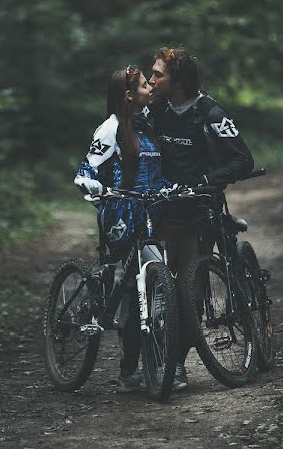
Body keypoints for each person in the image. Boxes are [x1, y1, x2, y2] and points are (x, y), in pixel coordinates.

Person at [148, 47, 255, 390]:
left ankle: (176, 365)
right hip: (163, 210)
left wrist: (206, 181)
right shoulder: (154, 110)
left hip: (199, 210)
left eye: (158, 75)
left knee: (188, 289)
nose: (151, 80)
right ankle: (149, 364)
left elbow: (242, 161)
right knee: (158, 289)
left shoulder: (210, 112)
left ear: (177, 80)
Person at [73, 65, 169, 393]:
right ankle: (130, 371)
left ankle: (147, 365)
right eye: (145, 85)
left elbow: (157, 171)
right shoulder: (110, 128)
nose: (150, 87)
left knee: (150, 286)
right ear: (130, 95)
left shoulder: (148, 124)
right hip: (121, 215)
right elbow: (87, 168)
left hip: (151, 214)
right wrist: (89, 185)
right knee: (133, 291)